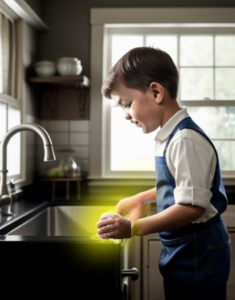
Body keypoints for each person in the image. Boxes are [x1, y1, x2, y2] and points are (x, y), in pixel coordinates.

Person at [96, 47, 231, 300]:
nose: (126, 115)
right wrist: (143, 199)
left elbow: (192, 207)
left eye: (127, 104)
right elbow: (179, 186)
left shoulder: (184, 140)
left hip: (199, 250)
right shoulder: (169, 136)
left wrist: (134, 228)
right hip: (184, 248)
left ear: (156, 92)